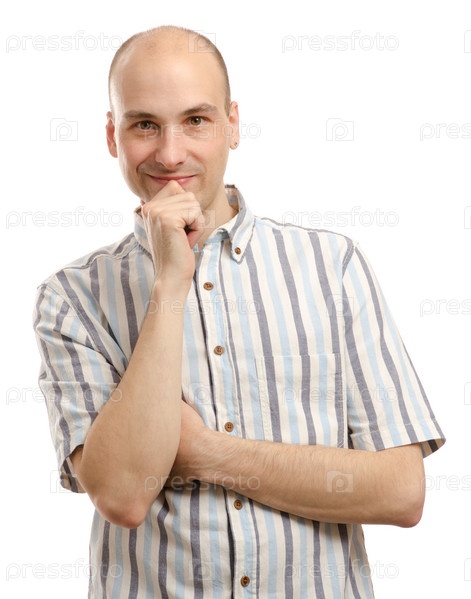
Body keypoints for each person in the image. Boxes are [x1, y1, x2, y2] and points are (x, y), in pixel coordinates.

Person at [33, 25, 445, 599]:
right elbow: (123, 496)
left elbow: (401, 493)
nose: (170, 153)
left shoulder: (332, 266)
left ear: (232, 124)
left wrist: (207, 453)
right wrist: (170, 283)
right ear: (112, 135)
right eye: (144, 124)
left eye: (195, 120)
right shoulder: (72, 297)